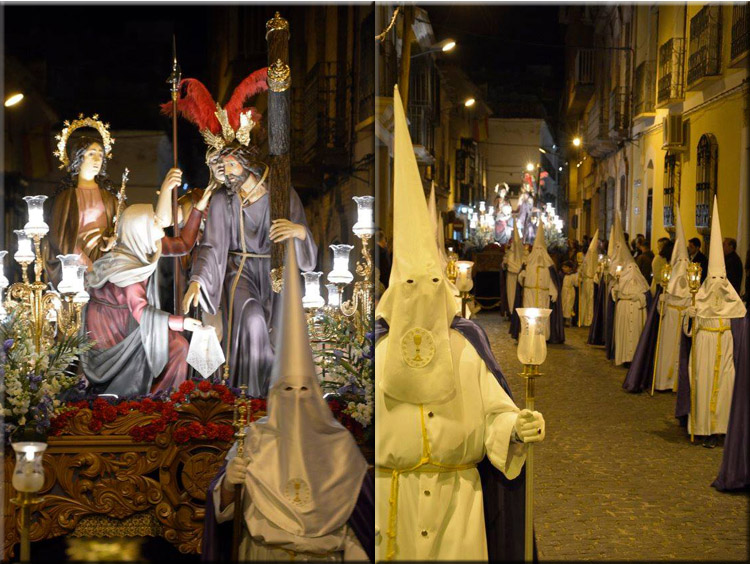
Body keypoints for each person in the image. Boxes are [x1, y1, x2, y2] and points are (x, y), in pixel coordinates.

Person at [375, 86, 544, 562]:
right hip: (395, 506)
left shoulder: (465, 350)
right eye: (410, 285)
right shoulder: (377, 359)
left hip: (460, 511)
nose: (422, 296)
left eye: (431, 283)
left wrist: (518, 425)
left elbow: (495, 413)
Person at [204, 241, 372, 562]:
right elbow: (225, 513)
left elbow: (358, 524)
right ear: (274, 397)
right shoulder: (253, 438)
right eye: (288, 391)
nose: (296, 400)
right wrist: (229, 482)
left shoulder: (340, 447)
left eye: (304, 391)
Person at [183, 144, 317, 396]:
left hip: (276, 270)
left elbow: (304, 241)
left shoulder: (282, 195)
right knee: (253, 318)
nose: (228, 172)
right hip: (240, 270)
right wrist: (197, 280)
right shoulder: (224, 199)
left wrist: (298, 232)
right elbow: (211, 245)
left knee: (279, 332)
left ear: (249, 165)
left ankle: (275, 394)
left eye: (233, 164)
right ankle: (250, 393)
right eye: (225, 167)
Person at [82, 171, 210, 397]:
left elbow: (182, 245)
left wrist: (197, 209)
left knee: (175, 346)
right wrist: (183, 323)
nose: (161, 225)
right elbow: (141, 311)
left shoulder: (136, 250)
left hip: (125, 321)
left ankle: (160, 399)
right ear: (140, 231)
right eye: (153, 222)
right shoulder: (129, 270)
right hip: (115, 332)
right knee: (178, 347)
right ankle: (157, 401)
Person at [681, 198, 746, 448]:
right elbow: (688, 331)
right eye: (715, 277)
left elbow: (740, 315)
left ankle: (722, 428)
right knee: (703, 383)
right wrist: (692, 313)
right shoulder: (700, 295)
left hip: (725, 343)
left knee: (725, 385)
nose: (718, 282)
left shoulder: (732, 299)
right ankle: (702, 427)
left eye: (722, 277)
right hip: (705, 343)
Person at [47, 132, 118, 285]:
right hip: (76, 260)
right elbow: (58, 235)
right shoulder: (67, 196)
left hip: (106, 258)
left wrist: (116, 238)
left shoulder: (109, 196)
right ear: (79, 158)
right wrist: (85, 263)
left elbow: (124, 223)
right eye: (91, 154)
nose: (97, 159)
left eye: (100, 154)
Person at [510, 226, 565, 343]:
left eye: (541, 249)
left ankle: (542, 336)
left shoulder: (547, 268)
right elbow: (520, 282)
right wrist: (521, 276)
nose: (539, 253)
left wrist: (553, 291)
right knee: (528, 316)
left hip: (543, 295)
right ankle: (526, 335)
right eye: (537, 249)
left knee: (542, 316)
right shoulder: (528, 266)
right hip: (529, 294)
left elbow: (551, 281)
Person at [611, 227, 650, 366]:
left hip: (636, 309)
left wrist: (639, 298)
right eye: (629, 269)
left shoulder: (641, 281)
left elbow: (646, 295)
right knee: (624, 333)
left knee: (635, 334)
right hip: (624, 308)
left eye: (634, 269)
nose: (632, 272)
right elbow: (615, 294)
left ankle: (635, 359)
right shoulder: (621, 279)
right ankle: (624, 357)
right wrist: (616, 287)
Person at [579, 230, 599, 327]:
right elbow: (582, 270)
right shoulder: (586, 259)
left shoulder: (597, 259)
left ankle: (589, 319)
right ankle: (584, 319)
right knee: (585, 300)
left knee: (591, 301)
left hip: (591, 282)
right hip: (587, 281)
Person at [502, 227, 524, 317]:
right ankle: (511, 312)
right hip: (511, 277)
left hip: (520, 278)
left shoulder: (524, 254)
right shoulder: (509, 254)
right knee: (511, 295)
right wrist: (506, 264)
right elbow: (504, 265)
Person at [561, 260, 577, 326]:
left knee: (568, 305)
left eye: (565, 267)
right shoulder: (563, 275)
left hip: (570, 291)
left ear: (570, 268)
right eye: (563, 267)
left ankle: (568, 320)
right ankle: (563, 319)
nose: (563, 268)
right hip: (564, 291)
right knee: (563, 304)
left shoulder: (573, 275)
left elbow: (576, 284)